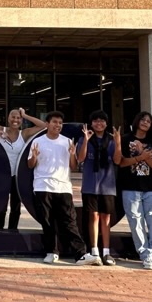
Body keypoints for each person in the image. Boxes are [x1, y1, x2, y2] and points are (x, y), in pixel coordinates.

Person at [27, 111, 100, 266]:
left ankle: (80, 254)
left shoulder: (67, 142)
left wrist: (73, 154)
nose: (58, 125)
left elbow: (73, 167)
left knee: (70, 221)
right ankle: (51, 252)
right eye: (54, 122)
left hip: (63, 187)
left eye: (60, 123)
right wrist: (34, 156)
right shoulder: (37, 141)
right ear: (47, 124)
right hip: (42, 186)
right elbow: (30, 165)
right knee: (47, 222)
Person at [0, 108, 48, 231]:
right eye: (13, 117)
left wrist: (25, 115)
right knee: (0, 205)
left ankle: (12, 230)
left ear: (21, 120)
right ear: (8, 118)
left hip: (17, 176)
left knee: (16, 206)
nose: (15, 120)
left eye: (18, 118)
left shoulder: (24, 134)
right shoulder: (1, 130)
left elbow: (44, 126)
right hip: (2, 174)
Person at [114, 111, 152, 269]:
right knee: (136, 221)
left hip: (151, 188)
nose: (145, 122)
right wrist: (139, 157)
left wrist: (145, 156)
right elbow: (121, 163)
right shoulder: (125, 139)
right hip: (130, 187)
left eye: (148, 121)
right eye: (142, 119)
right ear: (136, 121)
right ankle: (145, 255)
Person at [75, 110, 118, 265]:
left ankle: (106, 251)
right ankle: (94, 251)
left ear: (106, 124)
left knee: (106, 218)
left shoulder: (112, 141)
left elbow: (118, 160)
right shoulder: (84, 139)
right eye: (95, 121)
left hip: (108, 186)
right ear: (91, 123)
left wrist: (118, 143)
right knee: (93, 217)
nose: (99, 123)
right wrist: (86, 140)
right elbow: (80, 159)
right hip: (90, 186)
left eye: (102, 121)